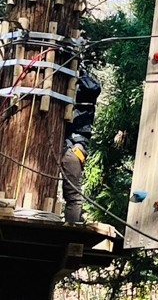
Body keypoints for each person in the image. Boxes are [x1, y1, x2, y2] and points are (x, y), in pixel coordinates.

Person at [61, 73, 102, 223]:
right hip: (64, 144)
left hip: (73, 147)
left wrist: (78, 74)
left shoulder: (86, 94)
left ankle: (72, 229)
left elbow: (94, 88)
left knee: (73, 196)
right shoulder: (64, 92)